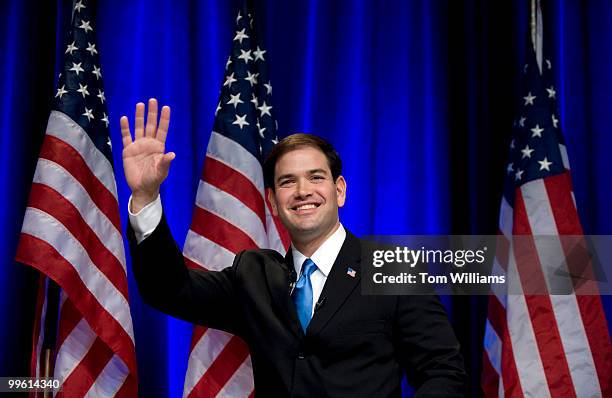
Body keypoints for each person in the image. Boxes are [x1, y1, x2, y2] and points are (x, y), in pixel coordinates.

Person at [121, 98, 466, 397]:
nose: (303, 191)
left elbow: (443, 373)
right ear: (272, 202)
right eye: (288, 182)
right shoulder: (253, 275)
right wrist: (147, 197)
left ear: (339, 190)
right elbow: (168, 288)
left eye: (316, 177)